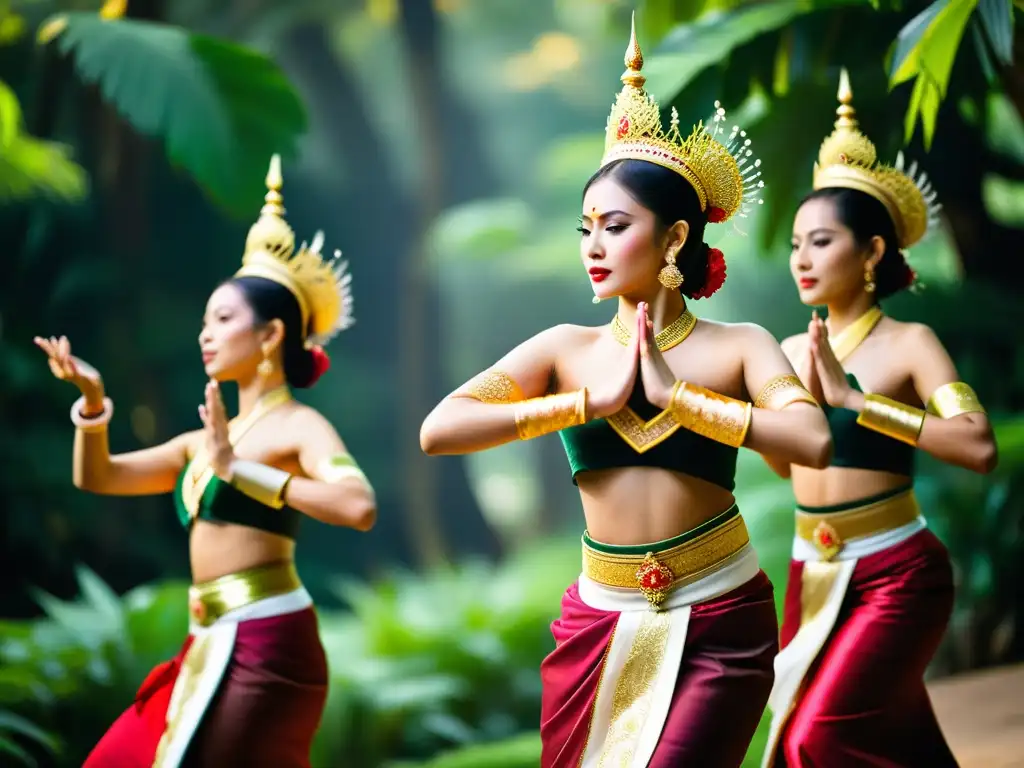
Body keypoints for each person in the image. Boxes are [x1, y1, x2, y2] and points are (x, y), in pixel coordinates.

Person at [420, 18, 832, 768]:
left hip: (720, 614)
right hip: (597, 619)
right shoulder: (565, 352)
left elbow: (812, 442)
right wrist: (583, 405)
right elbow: (440, 429)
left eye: (615, 226)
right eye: (586, 230)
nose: (594, 248)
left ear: (675, 239)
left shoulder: (739, 346)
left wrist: (681, 399)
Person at [36, 155, 376, 768]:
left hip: (271, 638)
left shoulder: (299, 426)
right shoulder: (202, 441)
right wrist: (93, 407)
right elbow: (99, 476)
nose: (205, 334)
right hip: (209, 636)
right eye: (204, 322)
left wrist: (239, 468)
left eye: (223, 320)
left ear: (271, 336)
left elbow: (358, 506)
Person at [761, 70, 998, 767]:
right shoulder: (786, 350)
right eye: (797, 242)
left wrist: (856, 401)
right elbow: (783, 464)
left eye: (823, 241)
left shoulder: (912, 345)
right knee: (883, 738)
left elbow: (978, 447)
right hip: (812, 567)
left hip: (898, 571)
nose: (803, 257)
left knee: (819, 738)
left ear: (871, 252)